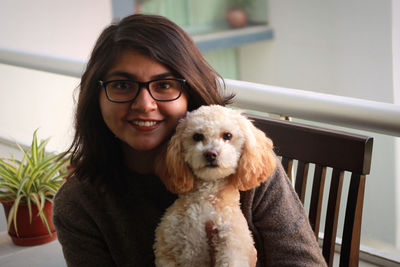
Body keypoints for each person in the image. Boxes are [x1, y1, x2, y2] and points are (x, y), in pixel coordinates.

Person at [53, 14, 327, 266]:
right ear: (96, 97)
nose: (145, 104)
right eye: (122, 85)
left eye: (164, 85)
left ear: (190, 91)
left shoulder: (245, 165)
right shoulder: (79, 203)